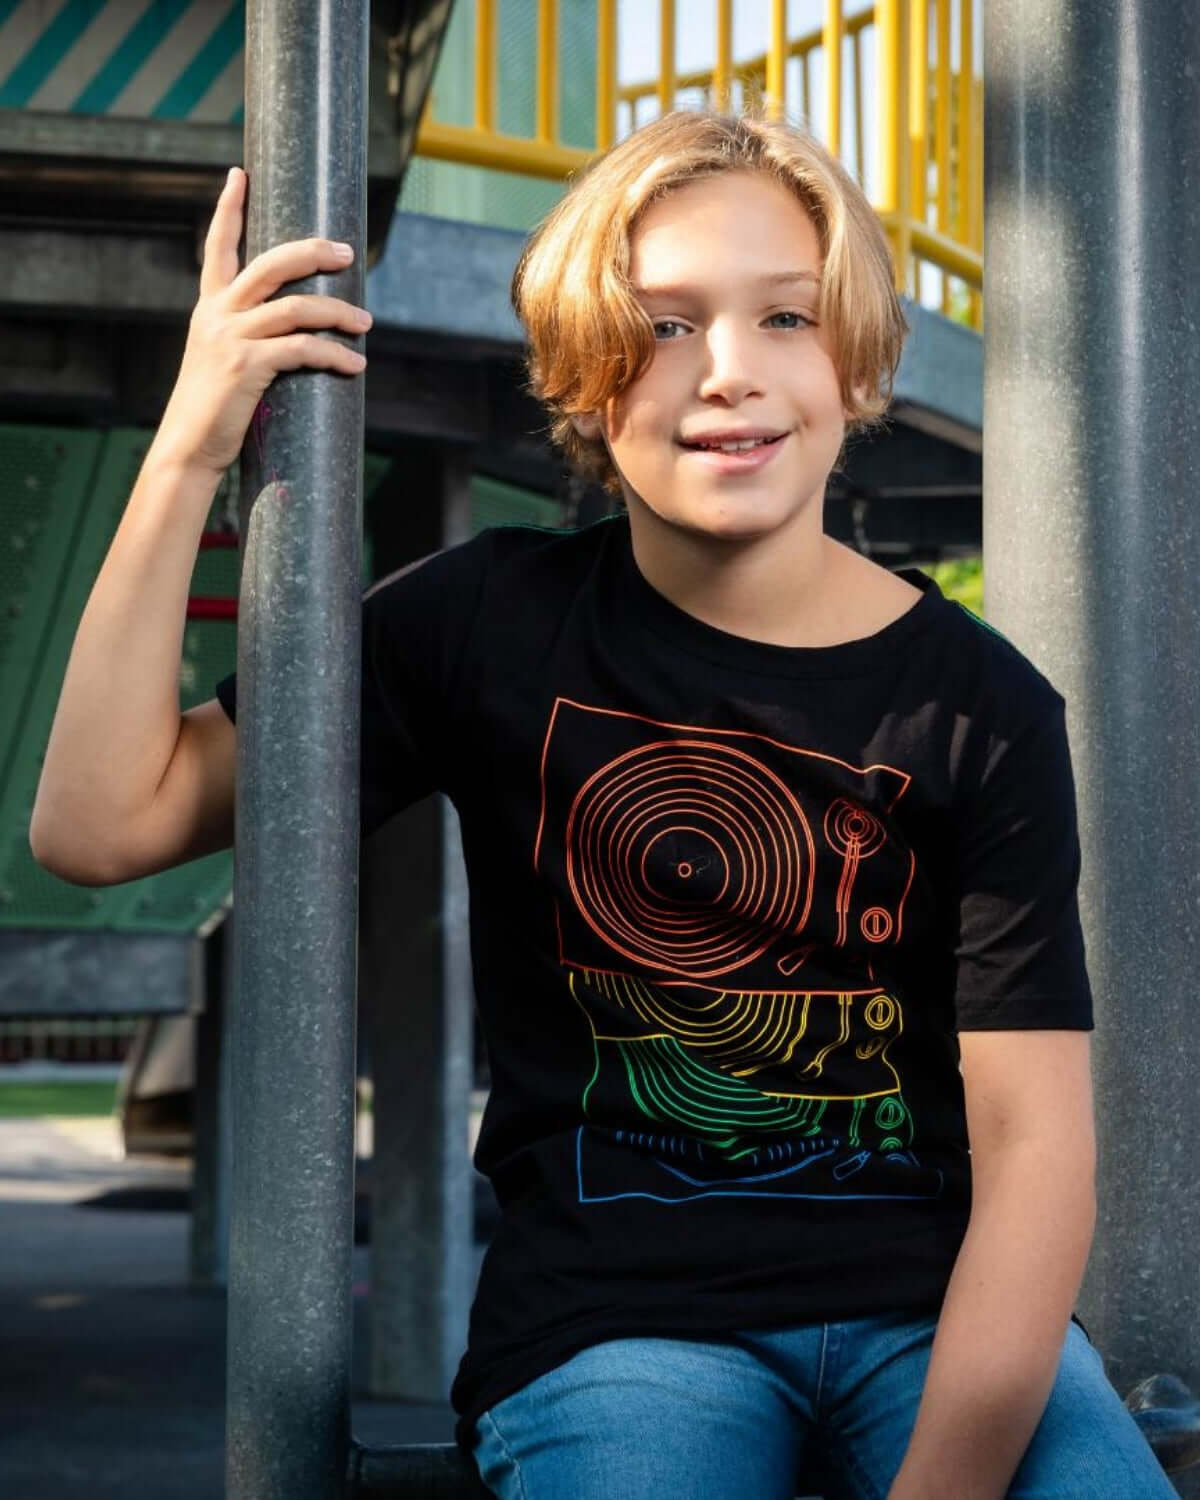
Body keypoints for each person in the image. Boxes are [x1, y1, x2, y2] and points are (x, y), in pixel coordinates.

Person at [29, 110, 1174, 1500]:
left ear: (857, 363)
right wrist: (189, 447)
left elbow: (1037, 1149)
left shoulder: (984, 708)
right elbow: (97, 824)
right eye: (666, 326)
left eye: (787, 317)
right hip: (623, 1330)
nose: (729, 371)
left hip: (935, 1314)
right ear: (584, 380)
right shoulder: (484, 626)